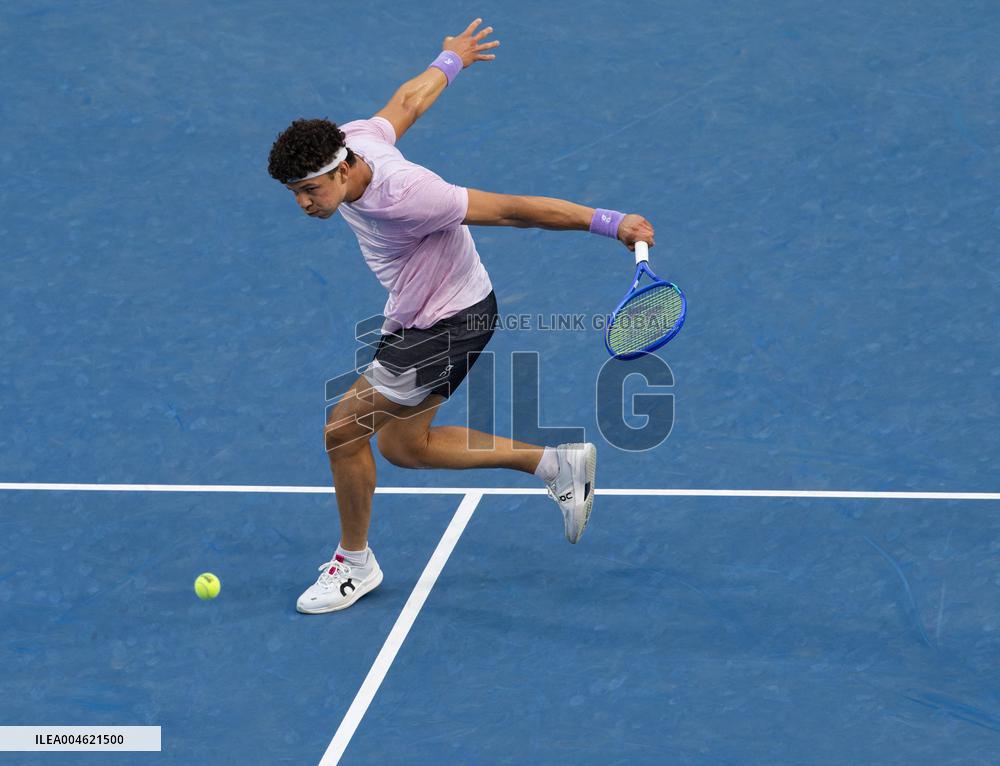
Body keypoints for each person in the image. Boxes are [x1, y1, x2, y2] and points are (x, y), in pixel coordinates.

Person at [267, 19, 656, 613]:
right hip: (431, 310)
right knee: (404, 445)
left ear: (342, 170)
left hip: (447, 320)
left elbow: (512, 209)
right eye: (294, 192)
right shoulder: (353, 140)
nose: (303, 204)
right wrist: (452, 59)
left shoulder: (408, 194)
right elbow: (406, 102)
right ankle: (556, 463)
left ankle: (354, 564)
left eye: (310, 190)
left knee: (343, 432)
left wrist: (608, 221)